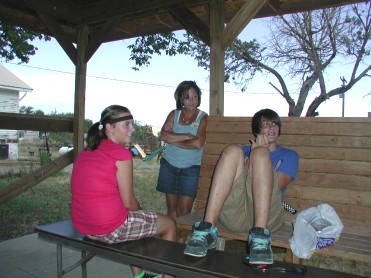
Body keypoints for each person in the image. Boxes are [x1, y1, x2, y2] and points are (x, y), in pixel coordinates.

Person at [71, 105, 176, 278]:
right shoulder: (121, 153)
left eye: (132, 124)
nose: (132, 129)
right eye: (126, 124)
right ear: (109, 127)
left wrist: (139, 216)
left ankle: (140, 276)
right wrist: (143, 213)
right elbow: (129, 202)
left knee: (135, 221)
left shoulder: (86, 151)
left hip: (83, 226)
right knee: (169, 224)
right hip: (108, 229)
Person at [184, 108, 299, 265]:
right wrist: (249, 158)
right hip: (234, 215)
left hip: (268, 217)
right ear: (256, 129)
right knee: (232, 150)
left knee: (260, 155)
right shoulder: (243, 151)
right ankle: (207, 230)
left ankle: (260, 238)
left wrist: (259, 154)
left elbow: (277, 186)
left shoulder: (289, 155)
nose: (271, 127)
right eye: (266, 123)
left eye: (275, 124)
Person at [156, 81, 208, 236]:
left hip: (191, 168)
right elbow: (164, 136)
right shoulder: (174, 114)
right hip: (169, 165)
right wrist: (187, 136)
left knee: (184, 212)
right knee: (171, 209)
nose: (191, 100)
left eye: (195, 96)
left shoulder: (203, 117)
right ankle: (170, 242)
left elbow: (198, 143)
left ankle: (180, 246)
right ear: (180, 99)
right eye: (187, 97)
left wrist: (174, 139)